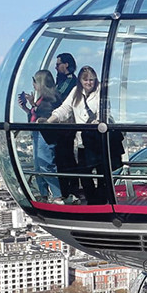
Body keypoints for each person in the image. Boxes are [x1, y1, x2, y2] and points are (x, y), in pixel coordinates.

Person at [46, 65, 107, 205]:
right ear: (80, 80)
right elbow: (65, 108)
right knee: (84, 173)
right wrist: (51, 120)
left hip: (98, 140)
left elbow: (105, 110)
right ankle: (92, 200)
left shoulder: (101, 92)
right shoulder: (76, 92)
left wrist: (98, 122)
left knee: (101, 172)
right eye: (86, 80)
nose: (89, 83)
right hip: (83, 141)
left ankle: (102, 200)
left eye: (91, 80)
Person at [17, 70, 62, 202]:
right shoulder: (42, 99)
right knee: (38, 165)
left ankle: (56, 195)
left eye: (35, 82)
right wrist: (28, 108)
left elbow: (46, 116)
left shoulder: (51, 99)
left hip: (44, 135)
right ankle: (44, 194)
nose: (33, 85)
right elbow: (36, 115)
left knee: (45, 164)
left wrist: (33, 106)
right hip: (38, 134)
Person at [52, 53, 80, 202]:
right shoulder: (66, 82)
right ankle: (69, 188)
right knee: (64, 157)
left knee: (65, 157)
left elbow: (59, 100)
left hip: (66, 126)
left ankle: (68, 189)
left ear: (66, 65)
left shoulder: (70, 83)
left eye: (58, 64)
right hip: (63, 126)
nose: (56, 68)